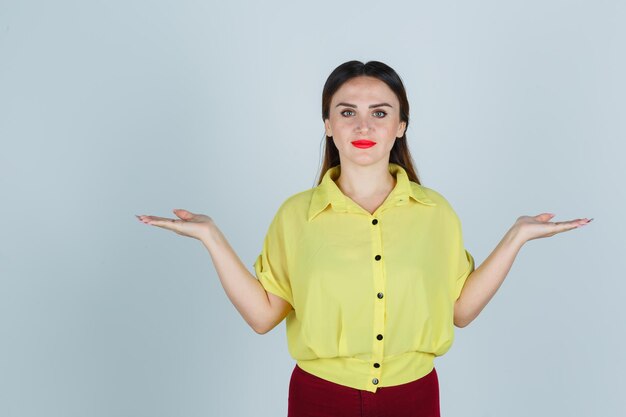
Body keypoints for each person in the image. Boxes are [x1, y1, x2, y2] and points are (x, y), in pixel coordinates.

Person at [136, 60, 592, 417]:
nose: (364, 126)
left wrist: (516, 237)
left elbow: (461, 311)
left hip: (413, 397)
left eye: (380, 113)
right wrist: (211, 237)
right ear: (328, 125)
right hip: (320, 398)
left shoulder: (435, 213)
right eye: (347, 112)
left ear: (401, 126)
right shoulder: (297, 215)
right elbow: (262, 315)